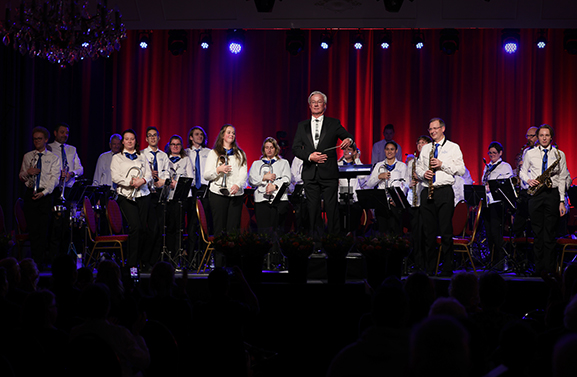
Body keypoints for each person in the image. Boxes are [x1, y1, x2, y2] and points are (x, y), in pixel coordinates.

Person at [292, 91, 353, 240]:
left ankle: (334, 241)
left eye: (319, 102)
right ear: (309, 105)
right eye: (313, 102)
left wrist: (349, 141)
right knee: (313, 210)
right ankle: (316, 242)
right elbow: (295, 148)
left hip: (329, 173)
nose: (316, 104)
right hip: (310, 173)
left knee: (332, 208)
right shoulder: (302, 126)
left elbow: (348, 137)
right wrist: (309, 156)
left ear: (324, 105)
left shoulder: (334, 123)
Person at [415, 118, 466, 276]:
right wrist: (424, 174)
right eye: (430, 129)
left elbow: (461, 170)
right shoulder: (426, 148)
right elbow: (418, 167)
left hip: (444, 191)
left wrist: (441, 164)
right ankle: (430, 268)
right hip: (427, 190)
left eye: (435, 128)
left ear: (443, 129)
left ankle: (447, 268)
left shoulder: (453, 147)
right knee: (428, 233)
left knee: (445, 231)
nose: (432, 131)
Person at [519, 124, 569, 276]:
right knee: (538, 233)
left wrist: (561, 201)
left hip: (552, 193)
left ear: (551, 137)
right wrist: (528, 180)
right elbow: (522, 171)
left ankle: (550, 269)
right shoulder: (530, 153)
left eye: (547, 135)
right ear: (538, 137)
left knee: (550, 233)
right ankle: (538, 269)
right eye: (541, 135)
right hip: (536, 194)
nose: (544, 138)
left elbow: (562, 178)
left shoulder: (559, 154)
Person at [203, 125, 248, 265]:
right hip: (217, 193)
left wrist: (238, 185)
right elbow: (206, 175)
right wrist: (219, 170)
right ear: (223, 135)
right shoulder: (214, 153)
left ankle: (231, 264)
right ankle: (218, 263)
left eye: (233, 133)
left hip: (235, 195)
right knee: (219, 229)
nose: (232, 135)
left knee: (232, 230)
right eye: (229, 132)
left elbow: (243, 174)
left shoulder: (240, 154)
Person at [110, 129, 153, 269]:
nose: (129, 141)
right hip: (126, 195)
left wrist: (143, 181)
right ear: (123, 141)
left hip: (143, 195)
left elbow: (149, 174)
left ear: (136, 141)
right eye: (127, 139)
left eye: (132, 139)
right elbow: (115, 177)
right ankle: (132, 263)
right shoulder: (117, 158)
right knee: (135, 227)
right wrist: (130, 182)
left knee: (144, 230)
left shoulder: (142, 156)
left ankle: (142, 260)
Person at [18, 127, 60, 267]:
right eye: (35, 139)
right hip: (30, 193)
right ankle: (34, 261)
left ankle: (41, 261)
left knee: (44, 229)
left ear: (46, 140)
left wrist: (44, 192)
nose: (37, 141)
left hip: (45, 195)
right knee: (33, 228)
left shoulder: (53, 158)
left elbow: (54, 179)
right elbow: (21, 176)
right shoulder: (28, 156)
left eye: (39, 139)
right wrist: (28, 172)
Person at [140, 127, 170, 272]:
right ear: (146, 139)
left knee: (159, 230)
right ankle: (145, 260)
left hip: (160, 193)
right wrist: (149, 174)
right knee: (151, 229)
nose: (152, 138)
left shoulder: (164, 156)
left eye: (155, 136)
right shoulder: (141, 154)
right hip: (147, 194)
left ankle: (154, 261)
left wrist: (162, 180)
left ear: (158, 138)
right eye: (149, 136)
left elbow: (167, 172)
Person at [481, 142, 514, 270]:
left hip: (497, 204)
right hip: (487, 203)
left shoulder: (505, 167)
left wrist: (493, 186)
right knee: (488, 233)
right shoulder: (487, 166)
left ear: (500, 153)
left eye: (495, 153)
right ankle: (492, 260)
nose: (492, 155)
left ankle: (501, 262)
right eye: (490, 153)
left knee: (496, 233)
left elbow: (507, 185)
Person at [248, 137, 291, 233]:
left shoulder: (283, 163)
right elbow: (251, 180)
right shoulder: (256, 163)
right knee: (263, 231)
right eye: (267, 147)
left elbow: (287, 179)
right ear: (263, 149)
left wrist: (275, 186)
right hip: (261, 201)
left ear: (276, 149)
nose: (269, 149)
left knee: (278, 230)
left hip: (279, 201)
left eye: (271, 147)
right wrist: (263, 178)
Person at [366, 141, 408, 236]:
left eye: (392, 149)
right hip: (382, 202)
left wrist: (398, 200)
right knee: (382, 231)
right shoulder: (379, 165)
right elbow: (369, 184)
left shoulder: (402, 166)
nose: (389, 151)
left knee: (396, 230)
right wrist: (379, 176)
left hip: (395, 203)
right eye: (387, 149)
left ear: (396, 151)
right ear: (384, 150)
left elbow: (405, 185)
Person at [166, 135, 194, 263]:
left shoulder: (186, 160)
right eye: (173, 144)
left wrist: (176, 184)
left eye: (178, 144)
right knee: (170, 227)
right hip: (169, 197)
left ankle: (178, 256)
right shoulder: (165, 159)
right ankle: (170, 255)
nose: (175, 146)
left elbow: (191, 180)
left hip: (182, 198)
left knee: (180, 227)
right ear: (169, 146)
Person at [406, 136, 432, 272]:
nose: (420, 145)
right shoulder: (412, 163)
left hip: (427, 202)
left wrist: (421, 177)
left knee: (427, 234)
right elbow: (404, 180)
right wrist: (409, 183)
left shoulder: (430, 162)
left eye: (423, 143)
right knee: (416, 235)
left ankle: (428, 263)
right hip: (414, 202)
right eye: (419, 142)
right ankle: (417, 263)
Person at [186, 126, 212, 259]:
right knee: (191, 224)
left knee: (204, 223)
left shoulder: (209, 152)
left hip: (205, 189)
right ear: (191, 137)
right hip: (191, 190)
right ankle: (190, 257)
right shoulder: (185, 153)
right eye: (196, 134)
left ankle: (204, 256)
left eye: (202, 134)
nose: (200, 136)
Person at [512, 126, 540, 238]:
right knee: (518, 225)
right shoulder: (525, 150)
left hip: (535, 191)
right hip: (524, 192)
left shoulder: (541, 152)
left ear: (538, 136)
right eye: (527, 136)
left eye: (531, 136)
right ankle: (519, 253)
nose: (528, 138)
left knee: (534, 225)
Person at [337, 144, 367, 233]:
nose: (346, 152)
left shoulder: (357, 164)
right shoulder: (338, 164)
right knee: (342, 226)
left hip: (355, 199)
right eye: (344, 150)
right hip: (341, 198)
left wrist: (357, 159)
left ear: (354, 152)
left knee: (353, 224)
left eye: (349, 149)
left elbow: (363, 177)